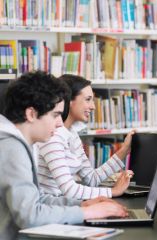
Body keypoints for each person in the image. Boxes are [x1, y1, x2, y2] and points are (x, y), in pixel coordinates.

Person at [0, 71, 128, 239]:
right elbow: (30, 217)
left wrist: (82, 204)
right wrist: (86, 212)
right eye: (55, 115)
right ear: (31, 114)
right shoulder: (12, 148)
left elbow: (37, 200)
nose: (60, 122)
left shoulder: (22, 143)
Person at [37, 74, 134, 200]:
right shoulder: (53, 136)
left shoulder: (71, 133)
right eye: (88, 99)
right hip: (51, 208)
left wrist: (124, 151)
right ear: (69, 101)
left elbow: (91, 179)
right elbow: (70, 191)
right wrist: (113, 191)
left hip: (62, 203)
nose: (93, 106)